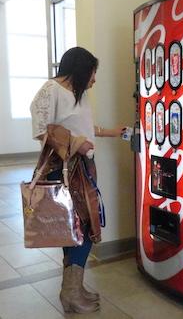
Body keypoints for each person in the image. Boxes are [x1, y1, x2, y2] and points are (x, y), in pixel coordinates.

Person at [30, 47, 124, 314]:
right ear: (81, 69)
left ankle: (73, 288)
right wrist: (77, 145)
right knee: (81, 228)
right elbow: (40, 130)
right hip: (63, 170)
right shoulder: (51, 90)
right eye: (93, 72)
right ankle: (70, 292)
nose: (94, 79)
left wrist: (110, 132)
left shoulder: (78, 94)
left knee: (75, 229)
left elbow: (82, 126)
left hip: (82, 168)